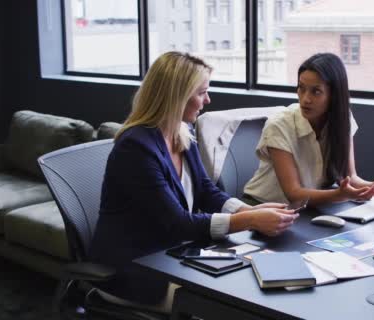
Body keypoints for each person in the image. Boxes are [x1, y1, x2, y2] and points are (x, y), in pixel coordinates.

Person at [86, 51, 299, 313]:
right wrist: (251, 220)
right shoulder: (136, 148)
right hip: (134, 270)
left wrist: (249, 210)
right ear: (176, 96)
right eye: (201, 92)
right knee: (235, 306)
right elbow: (177, 223)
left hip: (171, 255)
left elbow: (206, 191)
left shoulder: (181, 132)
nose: (207, 100)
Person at [243, 53, 374, 207]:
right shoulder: (279, 126)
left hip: (305, 210)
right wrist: (339, 195)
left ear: (334, 95)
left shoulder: (342, 120)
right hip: (259, 208)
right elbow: (294, 193)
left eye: (316, 91)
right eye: (301, 88)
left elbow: (350, 177)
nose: (305, 99)